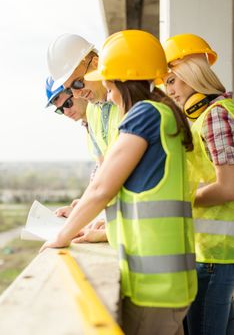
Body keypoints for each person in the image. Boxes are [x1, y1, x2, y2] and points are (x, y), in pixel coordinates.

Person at [40, 29, 197, 335]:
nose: (108, 95)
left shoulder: (146, 115)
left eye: (109, 84)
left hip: (154, 283)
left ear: (124, 80)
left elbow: (102, 188)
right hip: (166, 280)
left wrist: (62, 237)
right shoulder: (161, 112)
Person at [162, 33, 234, 335]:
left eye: (171, 80)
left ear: (191, 73)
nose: (169, 90)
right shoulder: (211, 113)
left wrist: (182, 199)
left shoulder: (214, 116)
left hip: (215, 256)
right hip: (212, 254)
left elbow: (228, 187)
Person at [46, 34, 120, 220]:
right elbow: (104, 171)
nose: (77, 94)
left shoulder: (128, 103)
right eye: (71, 89)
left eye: (78, 83)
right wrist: (86, 207)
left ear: (95, 62)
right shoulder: (94, 112)